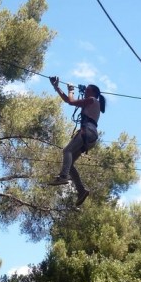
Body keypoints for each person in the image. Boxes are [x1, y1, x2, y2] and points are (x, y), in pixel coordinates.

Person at [48, 76, 106, 207]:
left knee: (67, 150)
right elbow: (68, 100)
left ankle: (63, 176)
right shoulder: (91, 102)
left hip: (88, 131)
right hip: (91, 136)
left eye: (87, 90)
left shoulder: (92, 100)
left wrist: (71, 90)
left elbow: (71, 101)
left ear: (93, 93)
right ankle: (81, 190)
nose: (85, 91)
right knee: (71, 164)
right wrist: (57, 87)